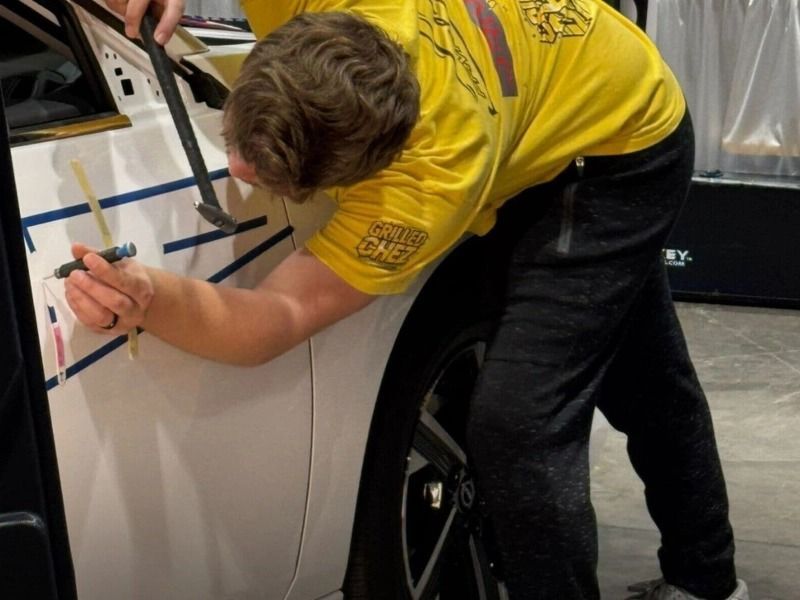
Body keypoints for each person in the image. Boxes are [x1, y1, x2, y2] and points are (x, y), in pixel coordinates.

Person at [65, 1, 749, 598]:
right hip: (557, 76)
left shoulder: (426, 184)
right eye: (239, 138)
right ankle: (708, 576)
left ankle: (699, 578)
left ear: (367, 176)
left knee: (521, 424)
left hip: (614, 147)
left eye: (266, 170)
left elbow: (277, 318)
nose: (237, 170)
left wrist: (152, 297)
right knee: (644, 374)